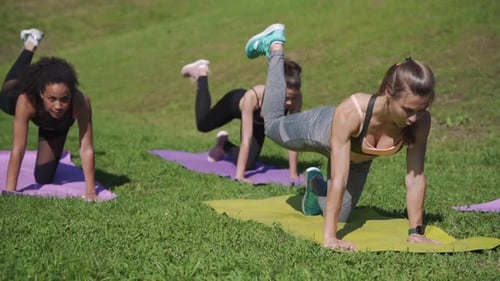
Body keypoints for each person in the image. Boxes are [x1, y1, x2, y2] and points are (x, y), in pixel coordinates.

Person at [245, 23, 440, 251]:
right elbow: (339, 178)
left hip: (358, 160)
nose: (415, 118)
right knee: (272, 126)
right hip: (321, 127)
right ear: (389, 94)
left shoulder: (420, 122)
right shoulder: (353, 111)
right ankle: (275, 47)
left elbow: (415, 177)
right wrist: (330, 238)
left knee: (340, 215)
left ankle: (315, 184)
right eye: (408, 110)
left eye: (421, 109)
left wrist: (415, 232)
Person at [0, 28, 98, 200]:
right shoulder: (26, 100)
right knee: (6, 99)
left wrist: (90, 192)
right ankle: (31, 44)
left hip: (55, 126)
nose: (58, 106)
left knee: (44, 177)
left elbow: (86, 148)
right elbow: (18, 147)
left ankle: (31, 43)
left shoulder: (81, 102)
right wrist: (10, 190)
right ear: (41, 95)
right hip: (22, 98)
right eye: (52, 99)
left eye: (64, 99)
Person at [180, 57, 303, 183]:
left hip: (259, 121)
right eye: (286, 97)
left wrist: (293, 175)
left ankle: (223, 145)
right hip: (233, 104)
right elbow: (246, 139)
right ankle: (201, 73)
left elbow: (292, 137)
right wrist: (240, 176)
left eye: (293, 97)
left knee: (249, 164)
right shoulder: (253, 97)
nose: (290, 102)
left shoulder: (295, 99)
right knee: (203, 124)